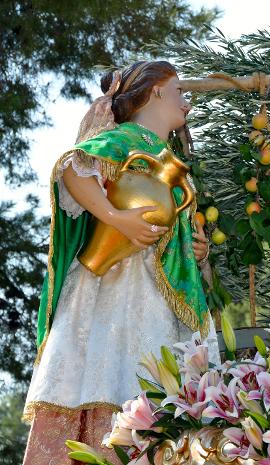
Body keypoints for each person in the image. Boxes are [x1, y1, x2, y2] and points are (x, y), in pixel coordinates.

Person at [22, 61, 219, 465]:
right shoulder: (124, 140)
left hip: (160, 293)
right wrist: (116, 218)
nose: (187, 101)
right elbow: (73, 170)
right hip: (113, 287)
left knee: (158, 388)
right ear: (157, 92)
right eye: (180, 90)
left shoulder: (167, 156)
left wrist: (195, 249)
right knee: (109, 374)